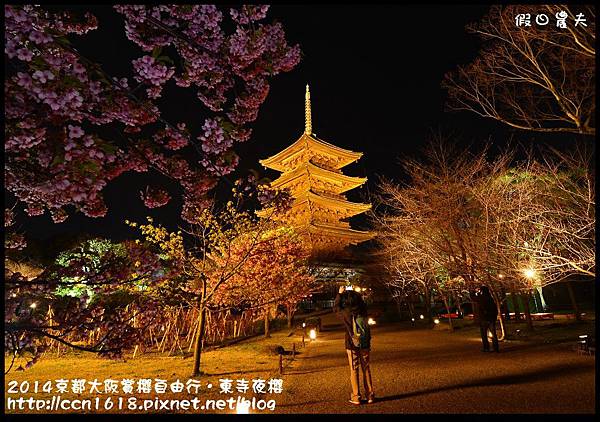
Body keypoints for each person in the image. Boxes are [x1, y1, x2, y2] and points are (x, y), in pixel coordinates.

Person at [334, 286, 375, 405]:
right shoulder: (363, 310)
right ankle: (370, 395)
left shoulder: (345, 313)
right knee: (366, 368)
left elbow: (335, 308)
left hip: (352, 344)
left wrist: (340, 294)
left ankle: (356, 396)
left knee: (354, 369)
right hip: (365, 342)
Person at [471, 285, 499, 353]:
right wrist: (494, 316)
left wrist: (473, 291)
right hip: (491, 319)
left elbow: (473, 297)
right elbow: (495, 309)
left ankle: (486, 348)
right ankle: (496, 348)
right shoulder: (490, 298)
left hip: (484, 319)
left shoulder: (481, 298)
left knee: (484, 334)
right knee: (494, 334)